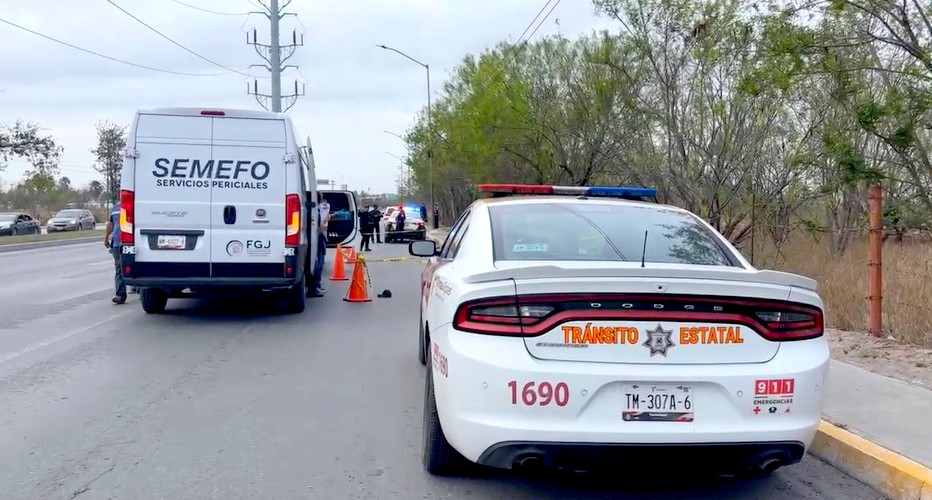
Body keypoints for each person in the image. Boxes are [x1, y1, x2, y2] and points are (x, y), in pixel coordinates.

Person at [104, 199, 127, 304]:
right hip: (117, 244)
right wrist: (106, 238)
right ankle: (120, 295)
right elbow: (110, 224)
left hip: (129, 243)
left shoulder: (134, 205)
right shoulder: (115, 208)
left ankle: (141, 290)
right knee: (119, 268)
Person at [308, 193, 330, 297]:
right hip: (317, 239)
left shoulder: (311, 210)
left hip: (314, 239)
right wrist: (326, 219)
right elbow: (319, 226)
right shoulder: (315, 211)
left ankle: (316, 286)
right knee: (317, 264)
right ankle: (314, 287)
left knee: (317, 264)